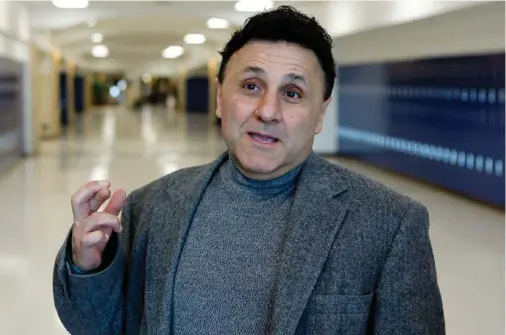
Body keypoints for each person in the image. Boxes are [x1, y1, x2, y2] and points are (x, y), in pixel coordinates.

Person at [53, 5, 445, 335]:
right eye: (252, 86)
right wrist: (87, 265)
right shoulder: (151, 206)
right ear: (221, 99)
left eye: (292, 94)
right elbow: (102, 327)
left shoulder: (387, 225)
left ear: (320, 113)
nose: (268, 112)